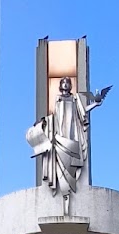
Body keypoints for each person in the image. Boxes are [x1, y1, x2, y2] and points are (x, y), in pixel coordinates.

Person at [25, 76, 111, 213]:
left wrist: (95, 104)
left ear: (70, 86)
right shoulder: (58, 99)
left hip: (72, 138)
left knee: (71, 170)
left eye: (68, 82)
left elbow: (82, 112)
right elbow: (55, 118)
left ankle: (68, 204)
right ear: (60, 86)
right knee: (61, 171)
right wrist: (42, 122)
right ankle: (65, 203)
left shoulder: (75, 99)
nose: (66, 84)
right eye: (63, 82)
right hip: (59, 140)